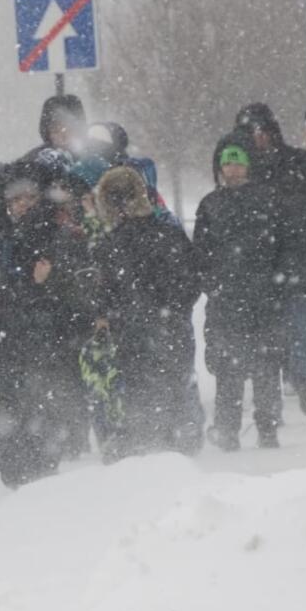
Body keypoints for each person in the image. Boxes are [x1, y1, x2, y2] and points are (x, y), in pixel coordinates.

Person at [0, 161, 91, 487]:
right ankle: (19, 474)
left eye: (28, 198)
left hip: (46, 339)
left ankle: (42, 477)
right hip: (8, 341)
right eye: (15, 200)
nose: (21, 206)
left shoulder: (57, 236)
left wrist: (45, 283)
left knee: (44, 410)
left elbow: (73, 290)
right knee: (12, 411)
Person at [92, 166, 201, 460]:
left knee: (142, 394)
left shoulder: (110, 245)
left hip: (135, 335)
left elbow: (105, 294)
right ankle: (180, 451)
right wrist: (172, 311)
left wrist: (118, 317)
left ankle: (150, 453)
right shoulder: (168, 234)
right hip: (168, 331)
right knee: (174, 390)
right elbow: (191, 282)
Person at [194, 135, 287, 451]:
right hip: (227, 302)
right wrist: (213, 284)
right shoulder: (210, 204)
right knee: (228, 371)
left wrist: (276, 283)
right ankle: (227, 430)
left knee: (265, 369)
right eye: (227, 162)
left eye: (238, 161)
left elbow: (282, 248)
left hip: (262, 298)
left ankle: (268, 429)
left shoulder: (268, 199)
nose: (232, 168)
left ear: (248, 165)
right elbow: (201, 254)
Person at [234, 103, 306, 425]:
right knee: (267, 345)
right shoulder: (243, 175)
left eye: (262, 131)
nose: (258, 139)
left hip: (295, 265)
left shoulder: (298, 164)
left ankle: (300, 382)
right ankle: (270, 414)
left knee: (301, 331)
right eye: (251, 133)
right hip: (261, 271)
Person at [22, 94, 88, 162]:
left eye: (70, 129)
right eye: (56, 130)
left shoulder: (91, 156)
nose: (63, 137)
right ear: (48, 133)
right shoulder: (37, 159)